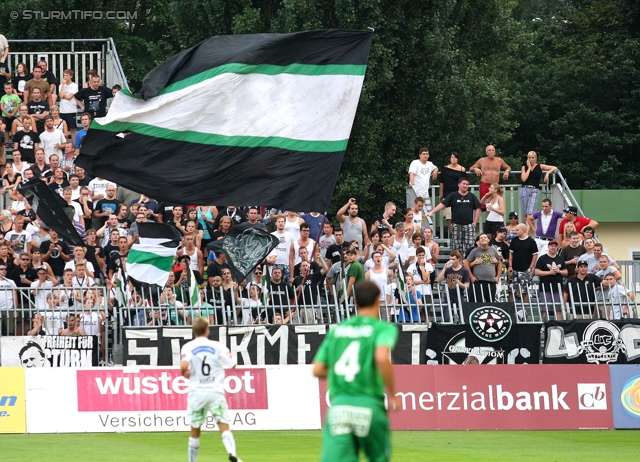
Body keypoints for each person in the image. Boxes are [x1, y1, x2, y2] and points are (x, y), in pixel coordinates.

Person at [313, 280, 399, 462]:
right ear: (378, 300)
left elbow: (318, 370)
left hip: (339, 406)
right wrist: (392, 394)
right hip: (369, 404)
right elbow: (382, 357)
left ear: (355, 302)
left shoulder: (338, 331)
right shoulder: (383, 328)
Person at [180, 317, 242, 462]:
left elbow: (184, 366)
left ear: (194, 330)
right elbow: (233, 364)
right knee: (224, 426)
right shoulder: (217, 346)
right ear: (207, 329)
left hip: (197, 392)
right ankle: (232, 452)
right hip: (215, 391)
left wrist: (186, 374)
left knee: (195, 430)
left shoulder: (188, 347)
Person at [426, 177, 481, 256]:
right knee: (456, 246)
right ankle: (457, 264)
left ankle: (467, 265)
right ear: (459, 185)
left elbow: (477, 208)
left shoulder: (471, 196)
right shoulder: (453, 195)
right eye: (463, 184)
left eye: (467, 184)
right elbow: (442, 204)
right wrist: (432, 212)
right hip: (457, 225)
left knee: (469, 246)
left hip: (469, 225)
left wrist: (475, 222)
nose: (465, 186)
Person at [519, 151, 557, 231]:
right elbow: (524, 178)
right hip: (524, 189)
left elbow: (554, 167)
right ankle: (527, 231)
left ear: (535, 158)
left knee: (530, 212)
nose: (531, 159)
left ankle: (527, 233)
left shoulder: (540, 166)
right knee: (525, 213)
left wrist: (547, 173)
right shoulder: (524, 167)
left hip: (534, 190)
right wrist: (529, 168)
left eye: (533, 158)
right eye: (529, 158)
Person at [469, 145, 511, 211]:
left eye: (493, 150)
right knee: (486, 207)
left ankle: (497, 221)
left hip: (495, 186)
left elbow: (508, 167)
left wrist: (507, 171)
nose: (491, 152)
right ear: (486, 152)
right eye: (489, 150)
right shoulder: (482, 160)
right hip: (485, 185)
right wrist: (475, 169)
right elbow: (471, 168)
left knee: (497, 205)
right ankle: (488, 221)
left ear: (495, 152)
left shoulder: (499, 160)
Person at [534, 240, 567, 320]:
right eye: (551, 246)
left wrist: (559, 271)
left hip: (558, 288)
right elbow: (537, 272)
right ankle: (543, 327)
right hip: (545, 287)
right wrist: (549, 272)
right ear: (548, 247)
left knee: (558, 309)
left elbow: (566, 272)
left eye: (555, 246)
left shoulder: (560, 259)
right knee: (544, 310)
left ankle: (559, 326)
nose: (553, 248)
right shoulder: (542, 258)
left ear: (557, 248)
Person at [464, 234, 501, 302]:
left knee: (491, 302)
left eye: (485, 237)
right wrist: (471, 277)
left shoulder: (493, 250)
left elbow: (499, 263)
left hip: (491, 281)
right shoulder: (474, 251)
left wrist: (498, 276)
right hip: (478, 281)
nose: (483, 239)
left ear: (488, 240)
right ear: (479, 241)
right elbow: (466, 263)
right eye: (481, 238)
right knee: (479, 303)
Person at [508, 224, 538, 302]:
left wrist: (530, 268)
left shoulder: (531, 241)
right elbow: (510, 253)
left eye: (517, 230)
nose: (515, 232)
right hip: (513, 270)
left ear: (523, 230)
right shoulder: (514, 240)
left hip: (525, 270)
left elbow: (535, 255)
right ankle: (511, 309)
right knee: (510, 289)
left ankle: (524, 310)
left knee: (525, 290)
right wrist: (510, 266)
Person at [438, 151, 466, 232]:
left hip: (459, 194)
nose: (454, 159)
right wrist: (441, 194)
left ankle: (460, 233)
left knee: (459, 214)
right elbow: (441, 183)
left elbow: (464, 182)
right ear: (450, 158)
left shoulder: (462, 169)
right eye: (452, 157)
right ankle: (451, 233)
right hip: (447, 194)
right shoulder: (445, 169)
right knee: (448, 215)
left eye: (455, 157)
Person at [408, 147, 438, 217]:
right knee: (414, 213)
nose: (425, 155)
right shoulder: (415, 163)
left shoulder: (429, 164)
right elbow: (411, 173)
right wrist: (412, 183)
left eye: (427, 154)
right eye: (423, 154)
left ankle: (427, 227)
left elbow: (436, 167)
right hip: (416, 192)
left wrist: (435, 171)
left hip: (425, 193)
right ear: (420, 155)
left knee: (428, 212)